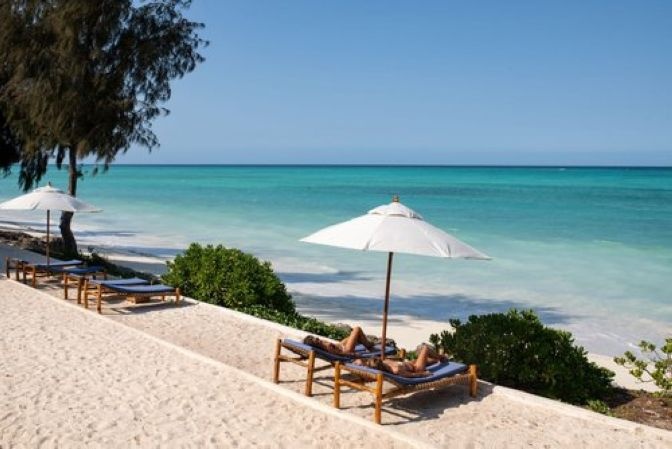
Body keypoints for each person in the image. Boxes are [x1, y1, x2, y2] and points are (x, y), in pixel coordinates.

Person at [354, 343, 446, 378]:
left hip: (408, 363)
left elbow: (367, 363)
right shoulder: (396, 370)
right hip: (416, 368)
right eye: (376, 359)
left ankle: (439, 359)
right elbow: (411, 375)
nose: (377, 358)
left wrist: (360, 361)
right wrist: (424, 374)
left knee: (431, 360)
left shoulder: (384, 362)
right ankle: (441, 357)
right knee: (425, 349)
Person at [303, 326, 375, 356]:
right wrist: (351, 354)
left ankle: (368, 344)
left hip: (340, 345)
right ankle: (368, 345)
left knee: (355, 334)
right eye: (313, 339)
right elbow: (337, 353)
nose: (316, 338)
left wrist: (340, 344)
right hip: (346, 350)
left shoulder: (321, 344)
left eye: (313, 337)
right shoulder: (324, 346)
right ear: (314, 343)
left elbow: (335, 347)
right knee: (357, 329)